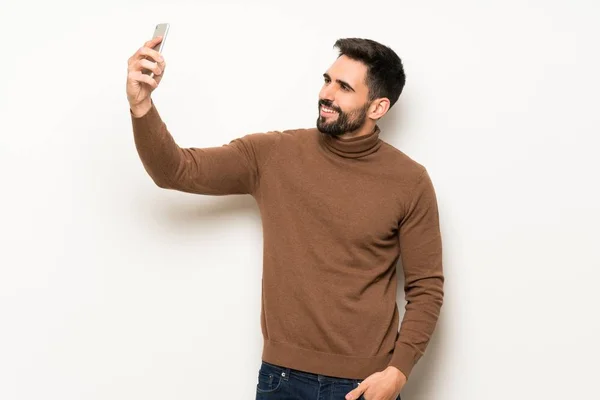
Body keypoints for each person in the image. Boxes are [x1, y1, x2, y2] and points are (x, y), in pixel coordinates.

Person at [127, 35, 444, 400]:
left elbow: (427, 288)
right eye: (327, 80)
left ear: (377, 107)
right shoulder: (274, 154)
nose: (327, 94)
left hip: (365, 384)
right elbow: (177, 170)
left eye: (344, 87)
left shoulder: (409, 180)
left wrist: (398, 372)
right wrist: (142, 106)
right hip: (282, 380)